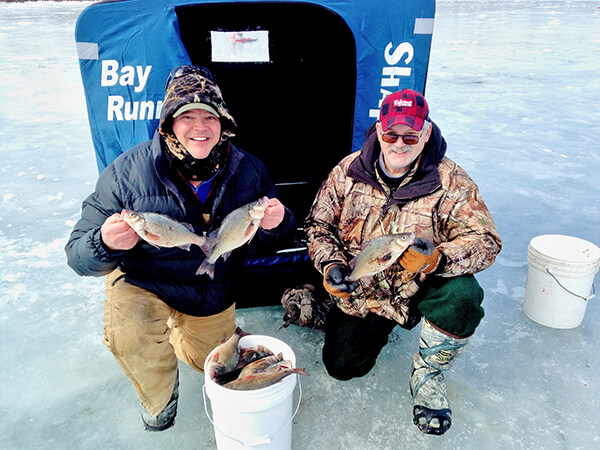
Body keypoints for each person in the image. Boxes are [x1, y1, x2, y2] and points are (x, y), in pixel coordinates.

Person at [65, 65, 296, 431]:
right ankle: (160, 399)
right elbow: (77, 254)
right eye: (187, 115)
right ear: (169, 122)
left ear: (224, 122)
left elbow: (268, 239)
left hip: (210, 287)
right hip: (145, 281)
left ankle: (185, 334)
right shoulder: (126, 173)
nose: (200, 126)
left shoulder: (250, 170)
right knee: (131, 333)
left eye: (210, 115)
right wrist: (104, 242)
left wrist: (277, 224)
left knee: (215, 363)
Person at [304, 88, 502, 435]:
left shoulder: (451, 181)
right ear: (379, 129)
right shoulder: (346, 172)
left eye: (410, 135)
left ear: (425, 134)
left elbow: (486, 242)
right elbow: (318, 226)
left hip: (421, 287)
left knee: (463, 296)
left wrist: (438, 260)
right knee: (343, 368)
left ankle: (428, 373)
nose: (400, 143)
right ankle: (368, 323)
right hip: (366, 294)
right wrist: (332, 266)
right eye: (392, 133)